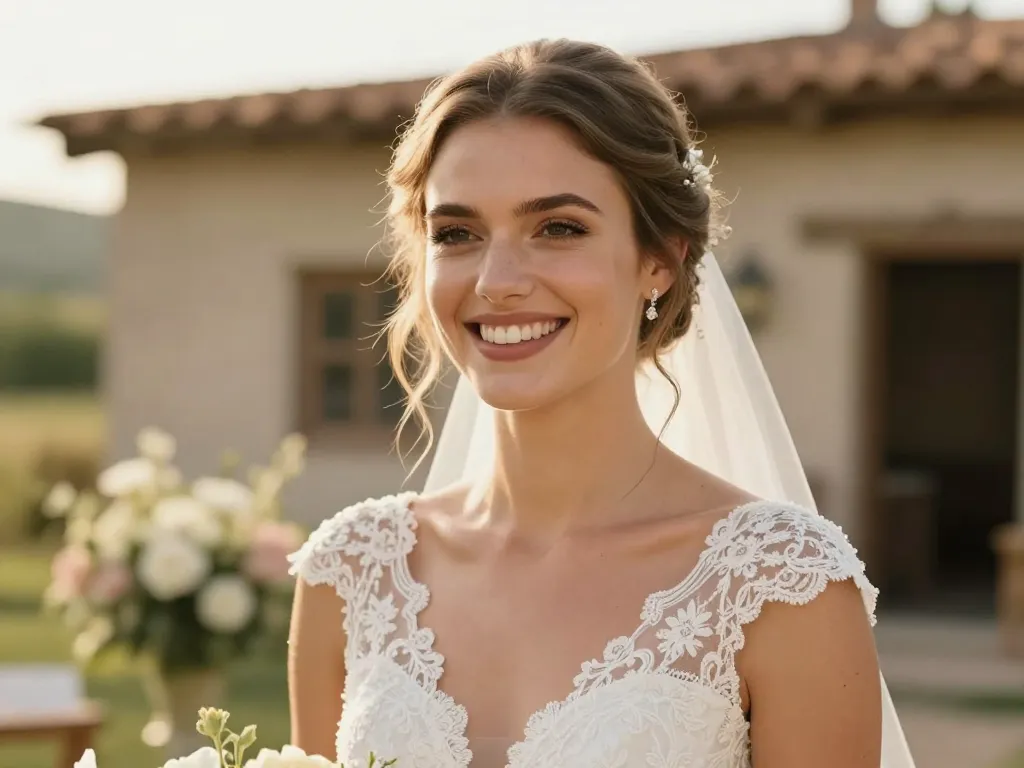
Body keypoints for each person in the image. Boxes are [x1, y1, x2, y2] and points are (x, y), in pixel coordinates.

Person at [287, 39, 916, 768]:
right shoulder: (349, 572)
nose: (497, 281)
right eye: (457, 234)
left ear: (661, 258)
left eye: (559, 228)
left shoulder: (783, 585)